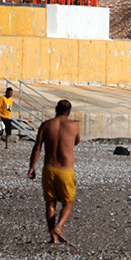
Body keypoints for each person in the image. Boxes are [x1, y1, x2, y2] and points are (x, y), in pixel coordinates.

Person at [28, 100, 80, 243]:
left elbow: (37, 147)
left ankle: (53, 238)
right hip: (65, 170)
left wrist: (32, 167)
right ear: (69, 112)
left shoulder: (46, 125)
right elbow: (76, 141)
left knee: (50, 203)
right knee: (68, 202)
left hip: (49, 168)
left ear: (56, 109)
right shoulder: (74, 125)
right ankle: (59, 226)